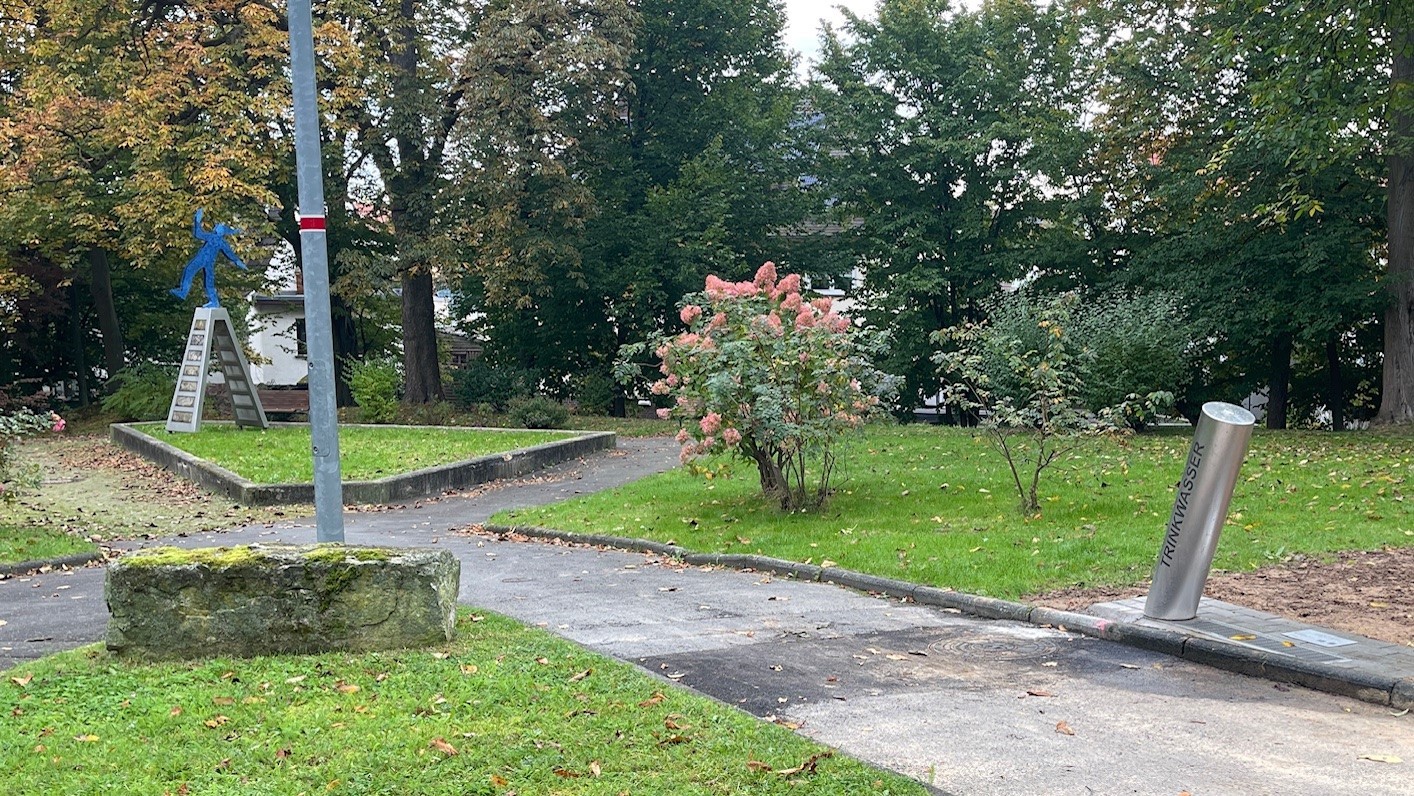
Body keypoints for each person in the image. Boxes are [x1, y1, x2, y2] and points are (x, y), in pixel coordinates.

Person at [171, 208, 246, 308]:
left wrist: (197, 219)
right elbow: (231, 255)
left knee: (189, 271)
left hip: (202, 258)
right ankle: (214, 301)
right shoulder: (222, 242)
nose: (216, 226)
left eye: (218, 226)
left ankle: (183, 292)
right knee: (209, 281)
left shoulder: (212, 237)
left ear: (220, 231)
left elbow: (198, 234)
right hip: (210, 262)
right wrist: (239, 262)